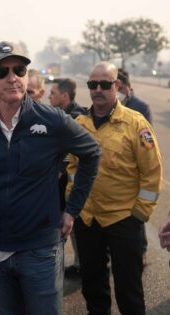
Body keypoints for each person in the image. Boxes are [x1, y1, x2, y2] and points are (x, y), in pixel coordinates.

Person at [0, 41, 101, 315]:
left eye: (19, 69)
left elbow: (92, 154)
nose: (12, 77)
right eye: (2, 72)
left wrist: (71, 210)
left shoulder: (53, 121)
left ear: (27, 75)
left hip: (40, 248)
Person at [67, 62, 162, 315]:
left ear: (117, 85)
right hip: (88, 220)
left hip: (123, 220)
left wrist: (139, 215)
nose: (98, 89)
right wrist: (74, 203)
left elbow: (152, 173)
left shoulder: (135, 123)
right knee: (93, 287)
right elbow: (73, 167)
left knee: (129, 291)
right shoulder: (80, 123)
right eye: (92, 84)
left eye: (105, 84)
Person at [49, 78, 88, 278]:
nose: (49, 96)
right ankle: (79, 263)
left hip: (72, 183)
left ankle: (84, 265)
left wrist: (59, 169)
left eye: (53, 93)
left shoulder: (77, 117)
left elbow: (70, 151)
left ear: (64, 96)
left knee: (75, 226)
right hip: (62, 184)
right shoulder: (59, 114)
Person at [118, 68, 152, 267]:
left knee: (137, 215)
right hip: (119, 169)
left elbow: (149, 138)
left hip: (136, 168)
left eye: (119, 86)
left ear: (126, 85)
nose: (117, 90)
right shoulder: (111, 104)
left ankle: (142, 250)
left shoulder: (141, 107)